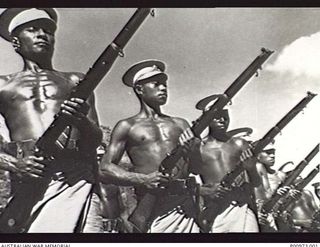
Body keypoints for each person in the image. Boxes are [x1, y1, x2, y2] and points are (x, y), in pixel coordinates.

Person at [0, 8, 103, 232]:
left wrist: (82, 120)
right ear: (16, 42)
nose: (42, 35)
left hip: (75, 180)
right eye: (32, 29)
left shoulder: (76, 81)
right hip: (31, 179)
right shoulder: (3, 85)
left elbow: (96, 139)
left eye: (47, 30)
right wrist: (15, 164)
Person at [99, 59, 200, 233]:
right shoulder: (127, 126)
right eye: (157, 84)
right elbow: (104, 169)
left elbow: (197, 168)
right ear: (139, 89)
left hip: (184, 207)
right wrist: (143, 180)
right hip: (153, 207)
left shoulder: (181, 124)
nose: (163, 88)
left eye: (165, 84)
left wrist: (194, 151)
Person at [189, 94, 261, 233]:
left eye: (225, 115)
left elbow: (256, 182)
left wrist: (251, 169)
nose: (222, 119)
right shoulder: (198, 147)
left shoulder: (240, 143)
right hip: (215, 212)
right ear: (206, 118)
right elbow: (188, 179)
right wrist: (204, 191)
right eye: (217, 115)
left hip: (241, 208)